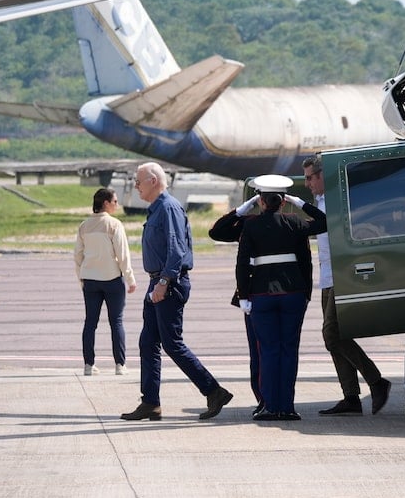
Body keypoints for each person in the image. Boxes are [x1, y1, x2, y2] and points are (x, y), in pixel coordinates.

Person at [121, 162, 234, 422]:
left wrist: (164, 282)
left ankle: (214, 391)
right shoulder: (157, 208)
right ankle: (150, 402)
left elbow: (176, 249)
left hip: (167, 284)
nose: (136, 186)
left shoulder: (168, 207)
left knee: (172, 343)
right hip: (157, 282)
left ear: (152, 180)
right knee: (148, 343)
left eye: (138, 181)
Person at [303, 154, 392, 416]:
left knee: (331, 333)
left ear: (322, 176)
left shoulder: (336, 199)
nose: (307, 183)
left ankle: (376, 381)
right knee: (335, 338)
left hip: (342, 273)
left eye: (310, 178)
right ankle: (351, 397)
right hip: (327, 275)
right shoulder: (318, 201)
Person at [235, 176, 327, 421]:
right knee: (289, 350)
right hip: (292, 294)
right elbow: (325, 222)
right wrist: (302, 203)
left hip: (262, 295)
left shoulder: (251, 226)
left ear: (261, 202)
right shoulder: (295, 222)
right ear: (283, 202)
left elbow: (242, 265)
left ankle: (269, 406)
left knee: (268, 351)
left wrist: (244, 296)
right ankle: (286, 406)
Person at [207, 182, 269, 416]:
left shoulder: (282, 222)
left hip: (261, 293)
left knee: (265, 352)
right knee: (261, 352)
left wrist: (243, 210)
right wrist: (241, 211)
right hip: (261, 294)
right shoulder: (248, 223)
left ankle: (269, 398)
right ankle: (264, 398)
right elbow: (216, 232)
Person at [74, 187, 138, 377]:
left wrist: (81, 278)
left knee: (90, 323)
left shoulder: (84, 226)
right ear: (106, 203)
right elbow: (123, 254)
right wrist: (130, 278)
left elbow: (78, 255)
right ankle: (119, 364)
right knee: (116, 322)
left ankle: (88, 365)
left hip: (90, 280)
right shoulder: (114, 225)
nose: (117, 204)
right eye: (115, 201)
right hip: (112, 280)